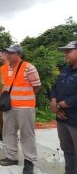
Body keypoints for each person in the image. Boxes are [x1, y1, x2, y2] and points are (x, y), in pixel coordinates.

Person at [0, 44, 41, 174]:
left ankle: (29, 162)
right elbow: (7, 85)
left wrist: (24, 97)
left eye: (11, 53)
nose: (8, 55)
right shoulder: (4, 68)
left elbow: (36, 86)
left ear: (18, 54)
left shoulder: (29, 67)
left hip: (25, 107)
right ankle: (12, 157)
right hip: (9, 106)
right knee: (8, 132)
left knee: (26, 134)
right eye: (7, 52)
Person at [50, 41, 77, 174]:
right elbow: (55, 87)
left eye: (68, 51)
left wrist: (59, 105)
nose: (65, 54)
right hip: (62, 118)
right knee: (67, 149)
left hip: (75, 119)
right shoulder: (66, 69)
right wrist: (54, 103)